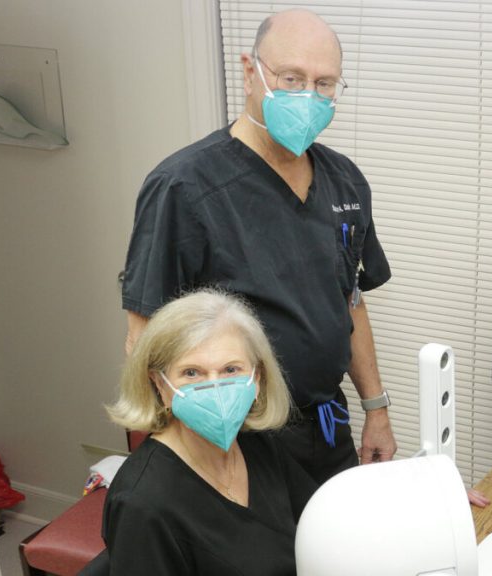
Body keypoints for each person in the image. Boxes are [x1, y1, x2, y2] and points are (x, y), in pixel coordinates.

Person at [120, 8, 396, 484]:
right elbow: (143, 340)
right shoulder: (183, 188)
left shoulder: (344, 181)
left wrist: (376, 407)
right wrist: (193, 458)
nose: (308, 96)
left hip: (328, 428)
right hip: (238, 439)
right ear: (251, 73)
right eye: (291, 78)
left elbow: (349, 301)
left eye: (325, 83)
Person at [103, 289, 317, 575]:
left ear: (257, 377)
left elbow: (316, 527)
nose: (215, 388)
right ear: (160, 385)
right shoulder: (141, 504)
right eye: (192, 373)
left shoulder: (258, 444)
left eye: (231, 369)